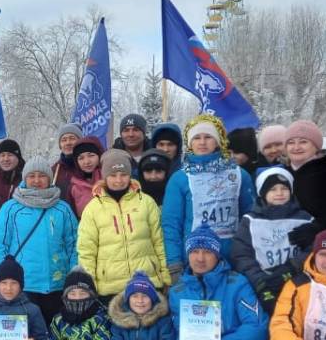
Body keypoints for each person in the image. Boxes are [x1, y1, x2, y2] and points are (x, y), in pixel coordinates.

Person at [162, 114, 256, 279]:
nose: (202, 142)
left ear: (219, 141)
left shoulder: (239, 175)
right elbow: (171, 225)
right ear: (190, 143)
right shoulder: (180, 178)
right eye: (197, 138)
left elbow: (251, 219)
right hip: (194, 261)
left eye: (208, 137)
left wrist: (248, 257)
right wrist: (174, 263)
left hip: (232, 260)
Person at [0, 156, 78, 323]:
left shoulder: (62, 208)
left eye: (42, 176)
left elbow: (74, 244)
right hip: (22, 286)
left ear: (50, 179)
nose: (36, 180)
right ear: (25, 178)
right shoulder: (11, 208)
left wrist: (74, 275)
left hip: (57, 284)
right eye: (31, 176)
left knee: (55, 337)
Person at [77, 149, 169, 300]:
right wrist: (90, 284)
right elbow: (86, 251)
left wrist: (166, 277)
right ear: (105, 176)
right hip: (110, 289)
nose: (119, 180)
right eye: (113, 175)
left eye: (123, 174)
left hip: (147, 283)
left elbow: (159, 242)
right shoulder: (93, 208)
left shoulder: (146, 202)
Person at [230, 167, 312, 314]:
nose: (279, 193)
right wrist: (259, 280)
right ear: (263, 193)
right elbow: (242, 254)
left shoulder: (305, 219)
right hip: (262, 282)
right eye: (273, 189)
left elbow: (313, 250)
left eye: (284, 188)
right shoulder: (250, 221)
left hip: (297, 279)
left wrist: (292, 268)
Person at [66, 137, 103, 217]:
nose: (86, 162)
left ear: (99, 156)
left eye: (91, 155)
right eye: (81, 158)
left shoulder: (109, 179)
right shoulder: (73, 187)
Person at [51, 125, 83, 196]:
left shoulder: (88, 166)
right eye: (64, 140)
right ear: (60, 145)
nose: (68, 143)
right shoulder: (54, 170)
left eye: (72, 138)